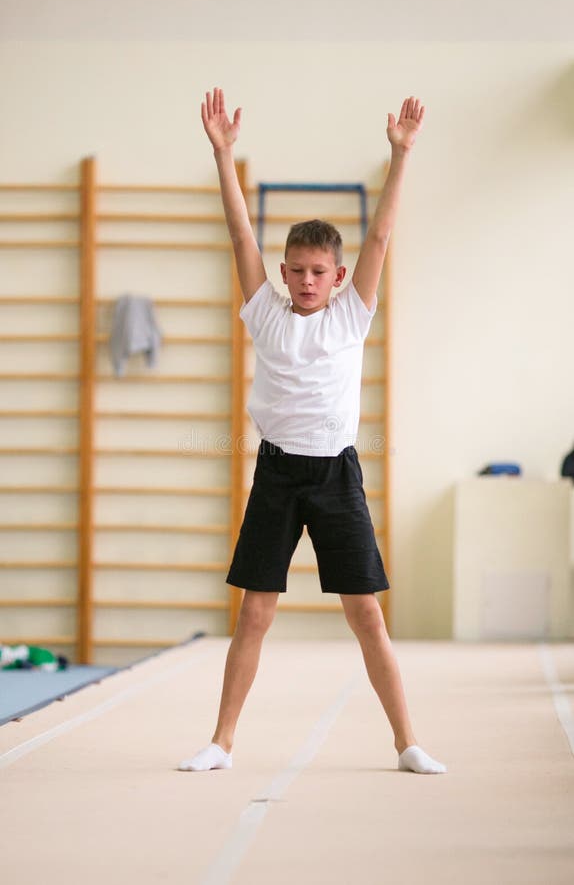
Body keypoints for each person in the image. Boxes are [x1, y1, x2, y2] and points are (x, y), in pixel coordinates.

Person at [179, 87, 446, 775]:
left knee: (366, 614)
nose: (303, 281)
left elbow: (382, 234)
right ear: (281, 272)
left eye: (317, 273)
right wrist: (224, 154)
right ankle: (222, 742)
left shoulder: (351, 315)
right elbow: (240, 235)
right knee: (255, 612)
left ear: (338, 278)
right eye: (294, 270)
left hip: (335, 476)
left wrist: (401, 155)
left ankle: (406, 741)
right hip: (276, 473)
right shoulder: (263, 312)